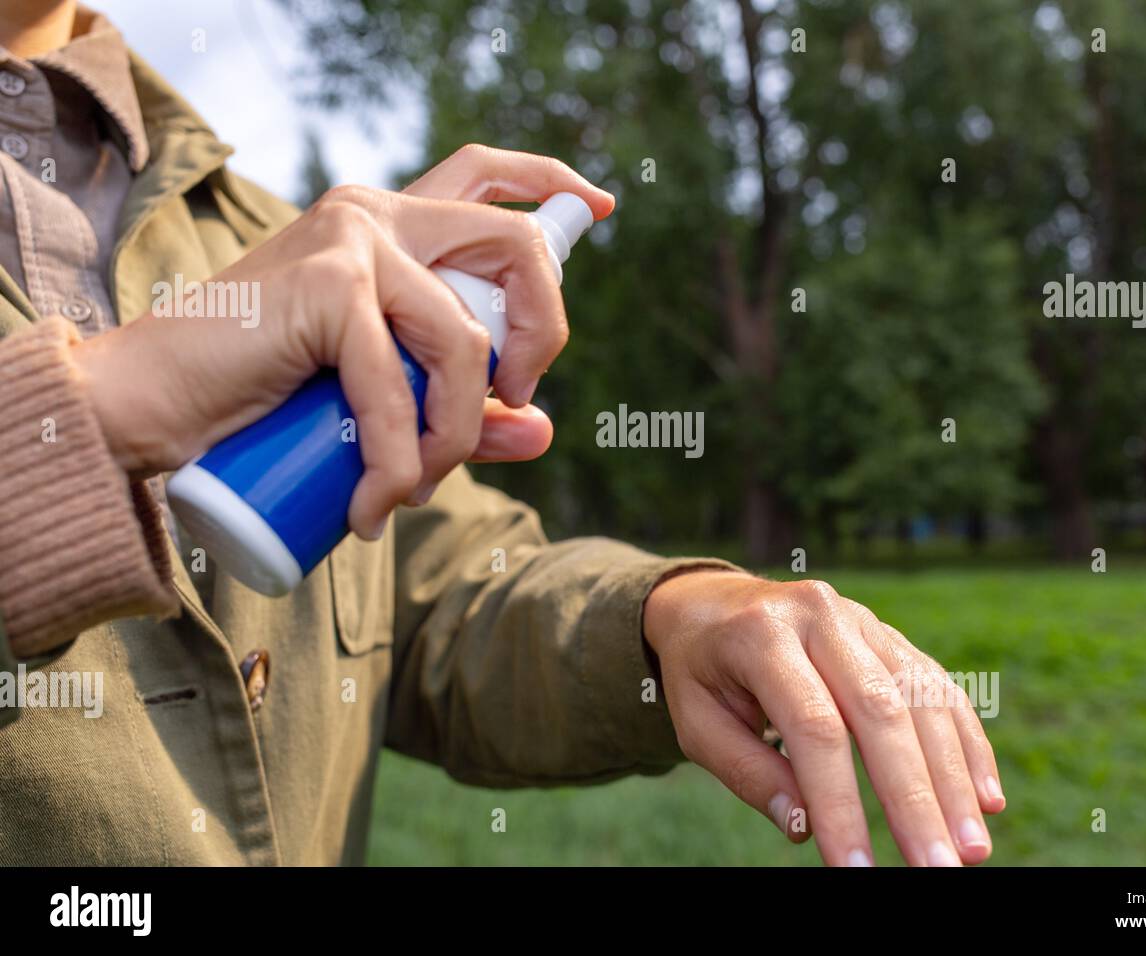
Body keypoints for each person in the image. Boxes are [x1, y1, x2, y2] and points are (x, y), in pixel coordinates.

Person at [0, 2, 1004, 867]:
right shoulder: (301, 261)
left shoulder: (269, 233)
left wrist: (673, 617)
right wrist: (93, 408)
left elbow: (442, 589)